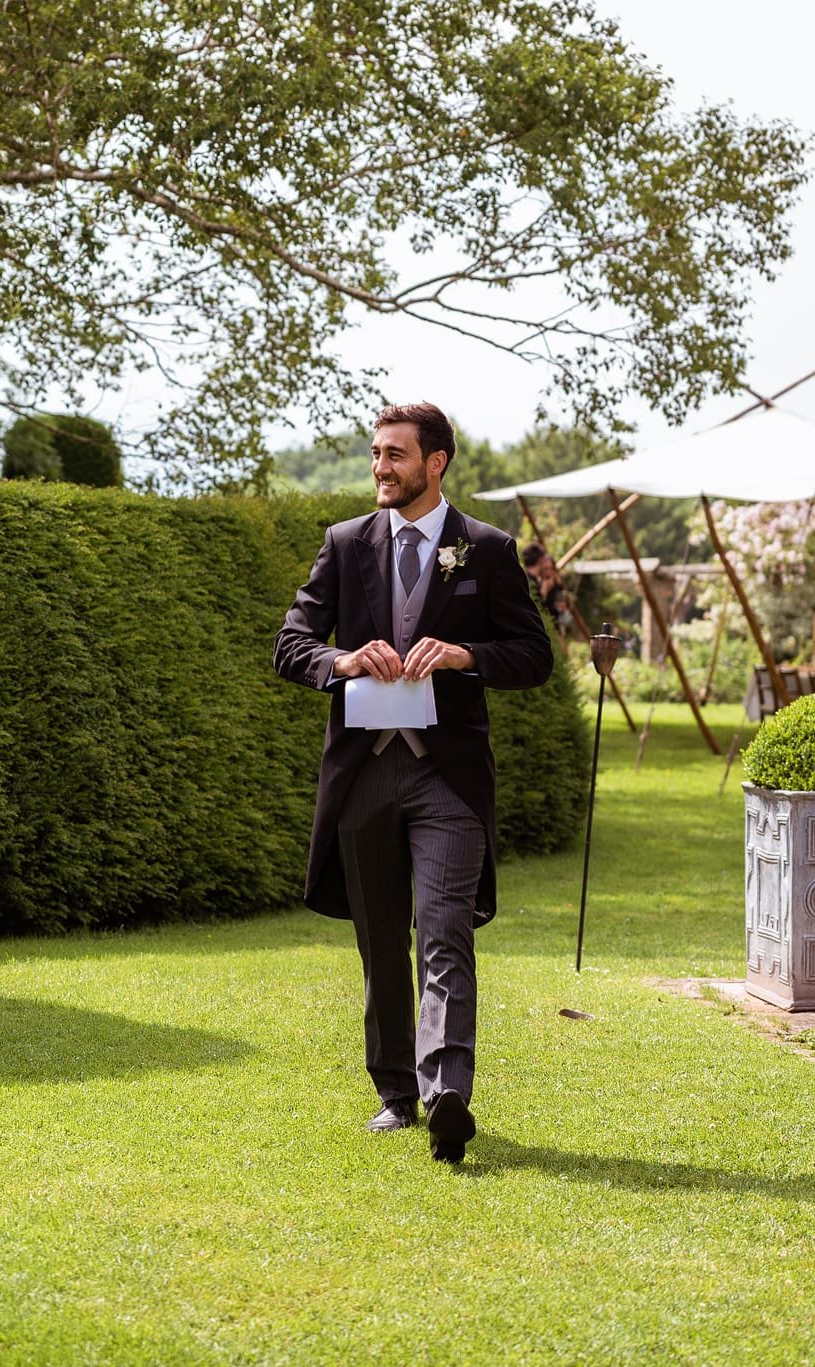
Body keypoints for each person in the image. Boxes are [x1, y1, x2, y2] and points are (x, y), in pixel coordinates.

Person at [273, 402, 552, 1163]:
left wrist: (464, 655)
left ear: (437, 463)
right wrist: (343, 661)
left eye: (395, 455)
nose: (380, 468)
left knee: (445, 930)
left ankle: (447, 1091)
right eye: (375, 454)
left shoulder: (487, 550)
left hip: (448, 780)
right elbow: (290, 643)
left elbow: (534, 656)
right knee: (381, 943)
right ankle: (398, 1092)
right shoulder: (345, 544)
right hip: (364, 774)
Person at [519, 541, 572, 631]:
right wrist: (544, 591)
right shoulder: (531, 583)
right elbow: (536, 611)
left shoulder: (555, 586)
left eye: (551, 568)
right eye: (546, 568)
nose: (548, 572)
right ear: (540, 561)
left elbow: (565, 618)